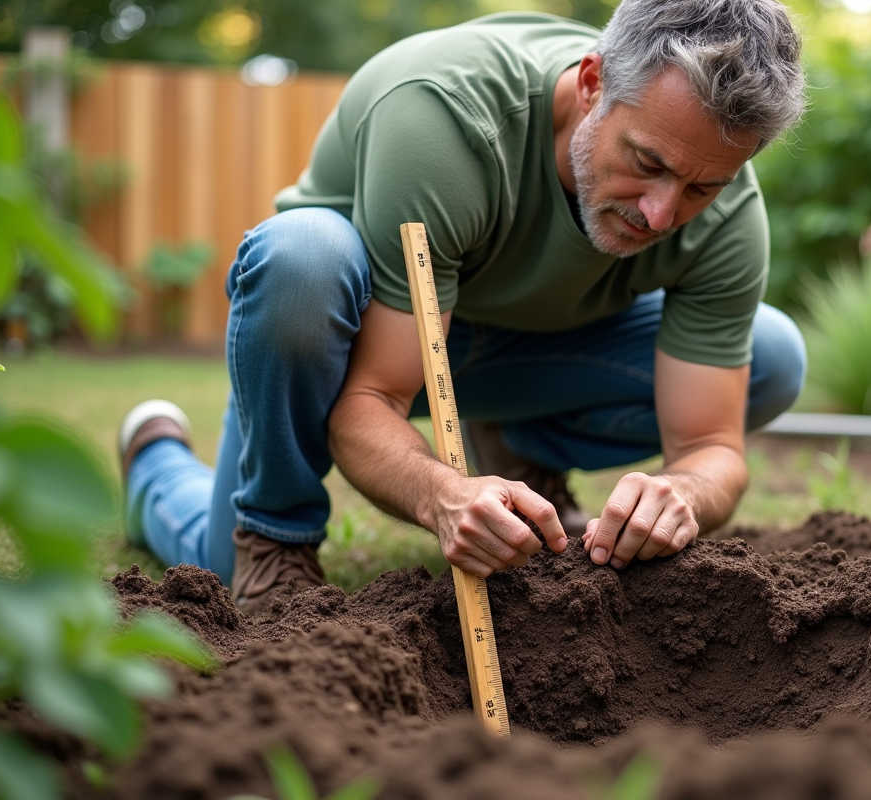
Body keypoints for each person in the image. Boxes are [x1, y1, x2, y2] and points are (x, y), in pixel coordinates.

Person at [119, 0, 808, 613]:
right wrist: (441, 493)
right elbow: (372, 399)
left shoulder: (730, 214)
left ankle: (520, 455)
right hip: (343, 345)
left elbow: (712, 448)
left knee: (772, 354)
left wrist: (684, 491)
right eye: (648, 163)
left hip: (519, 350)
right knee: (302, 257)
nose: (662, 214)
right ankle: (228, 507)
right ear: (593, 81)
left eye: (700, 187)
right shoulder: (445, 118)